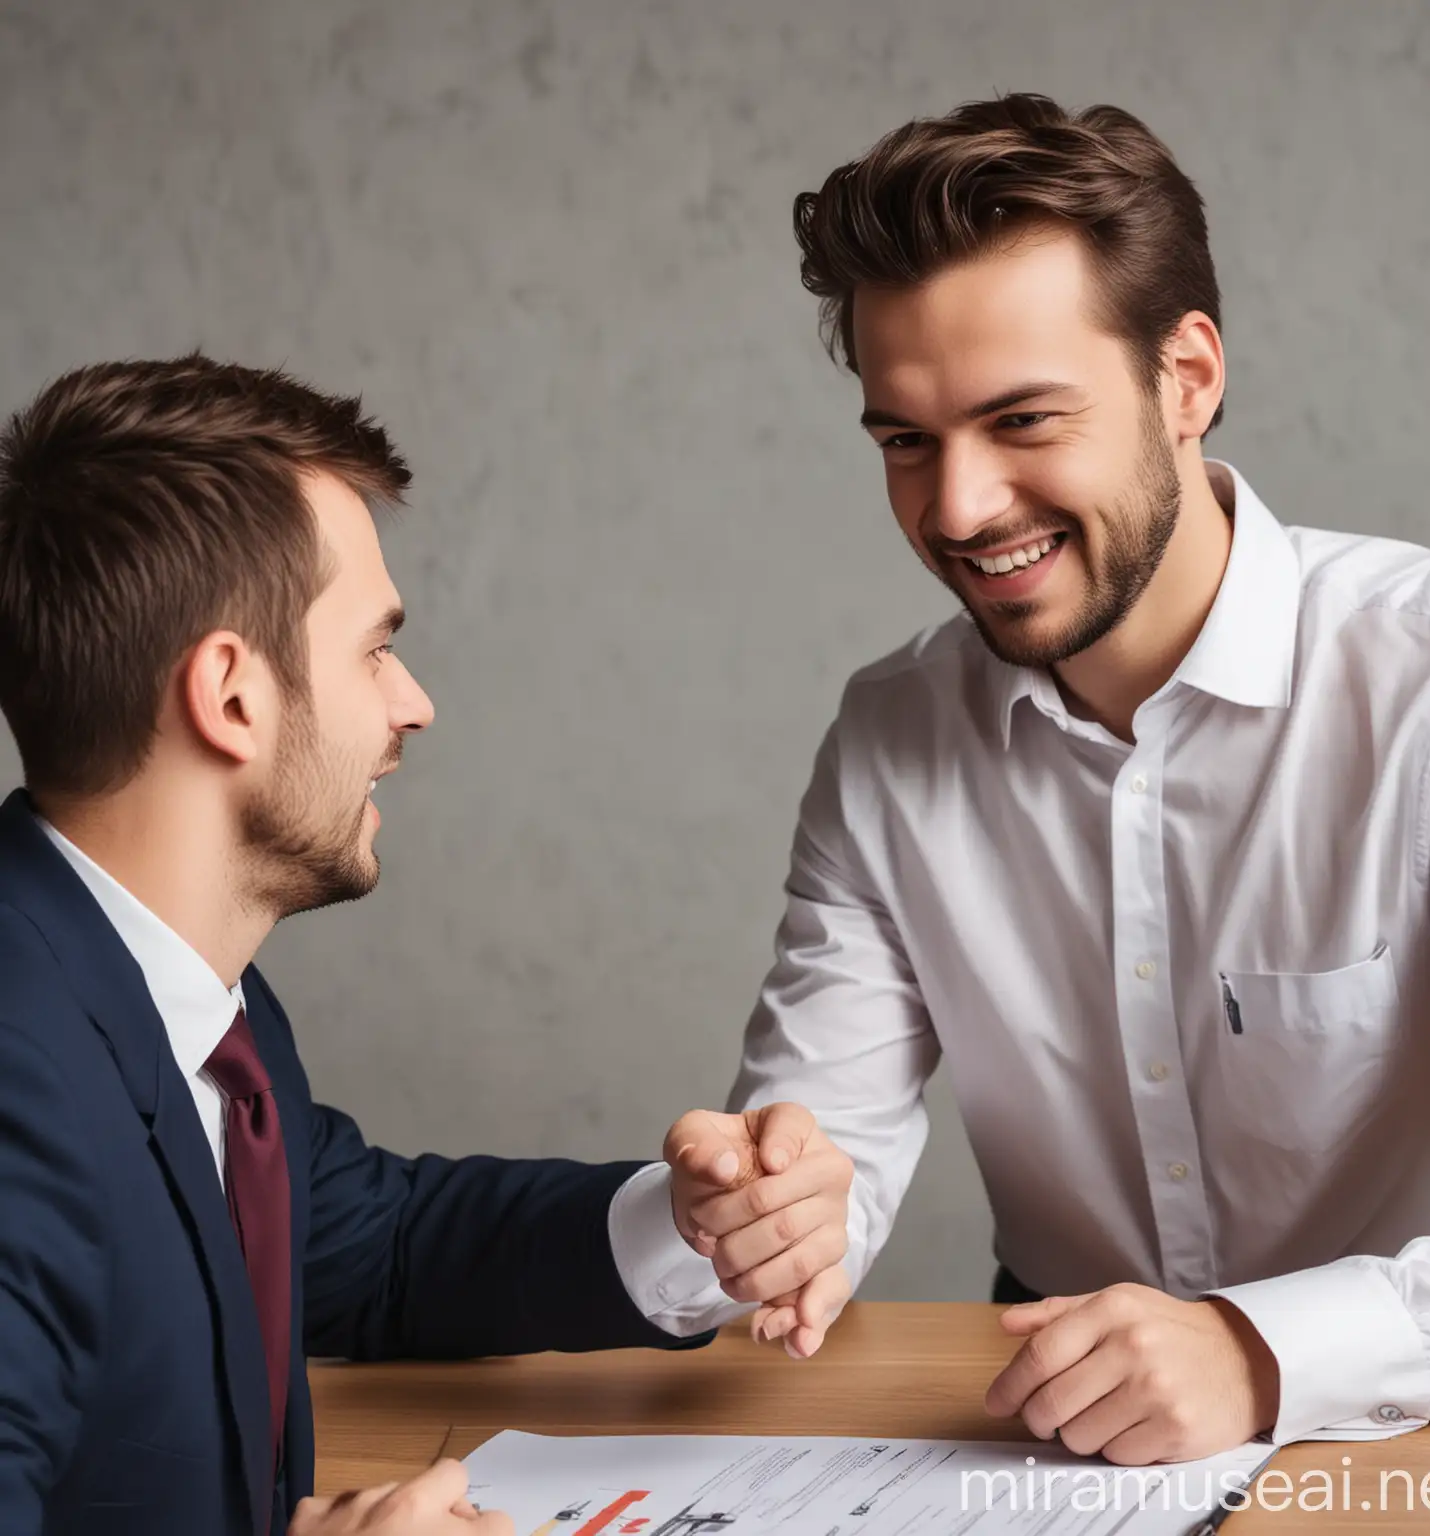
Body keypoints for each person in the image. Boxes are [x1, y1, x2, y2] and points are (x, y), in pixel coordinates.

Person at [641, 91, 1430, 1464]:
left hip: (1423, 1418)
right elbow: (825, 1152)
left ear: (1187, 378)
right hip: (1055, 1440)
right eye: (906, 440)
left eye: (1022, 420)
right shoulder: (889, 737)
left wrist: (1252, 1351)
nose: (957, 508)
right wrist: (770, 1214)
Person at [0, 356, 854, 1536]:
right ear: (232, 697)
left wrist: (696, 1225)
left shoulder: (170, 1001)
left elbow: (377, 1246)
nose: (414, 703)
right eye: (373, 649)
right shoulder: (18, 1075)